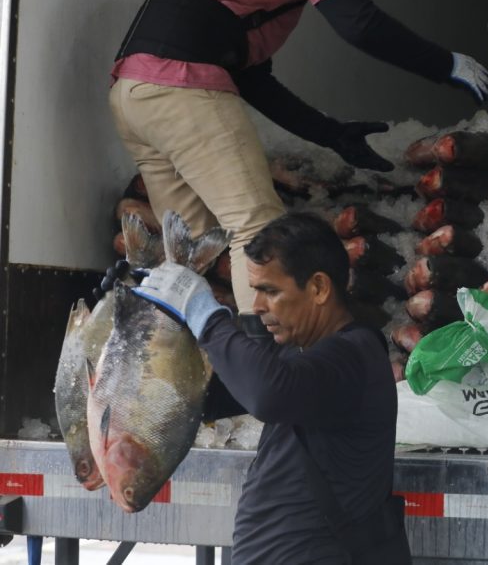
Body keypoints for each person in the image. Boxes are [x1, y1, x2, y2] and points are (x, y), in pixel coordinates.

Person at [109, 0, 488, 333]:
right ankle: (261, 361)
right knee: (258, 229)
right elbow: (358, 23)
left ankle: (177, 362)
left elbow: (255, 81)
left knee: (190, 247)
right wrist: (445, 64)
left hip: (134, 96)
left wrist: (331, 134)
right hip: (183, 89)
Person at [131, 212, 409, 564]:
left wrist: (205, 314)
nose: (258, 306)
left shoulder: (356, 356)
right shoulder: (297, 353)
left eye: (271, 291)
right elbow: (204, 397)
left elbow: (268, 392)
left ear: (319, 288)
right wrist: (144, 321)